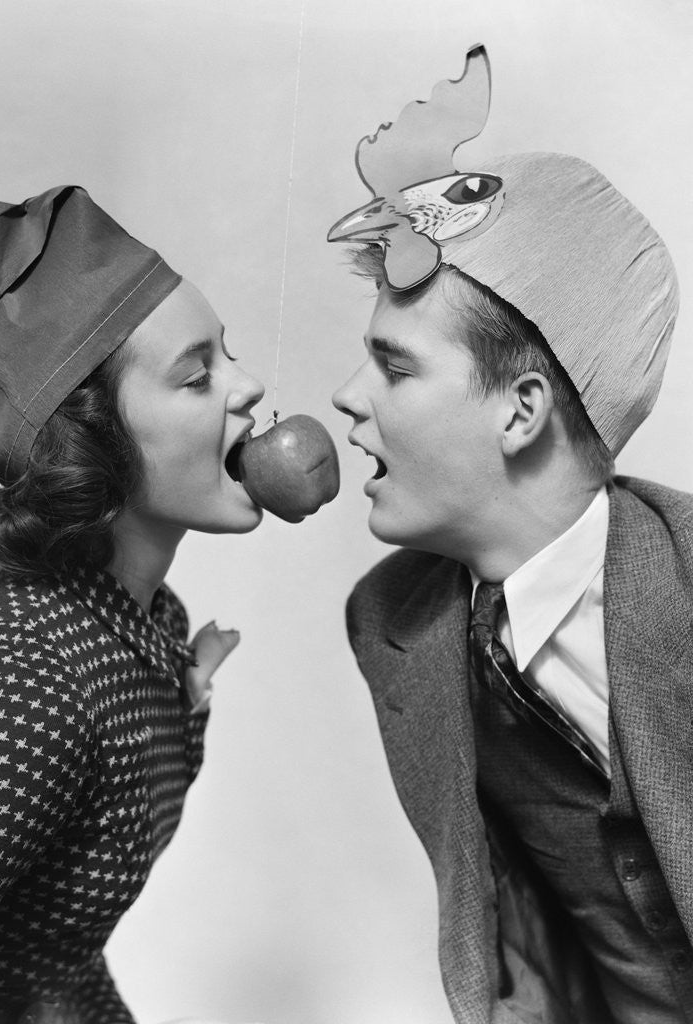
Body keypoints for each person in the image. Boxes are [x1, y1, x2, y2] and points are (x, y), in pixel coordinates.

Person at [329, 46, 691, 1024]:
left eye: (392, 367)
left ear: (520, 409)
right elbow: (505, 926)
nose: (345, 400)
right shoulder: (396, 624)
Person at [0, 185, 266, 1024]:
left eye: (228, 354)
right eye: (198, 376)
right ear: (93, 444)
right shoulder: (24, 679)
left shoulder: (152, 623)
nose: (250, 387)